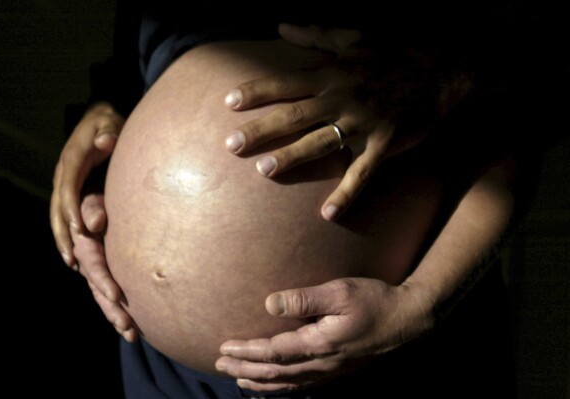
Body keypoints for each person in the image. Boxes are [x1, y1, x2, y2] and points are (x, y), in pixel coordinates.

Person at [50, 2, 563, 398]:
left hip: (375, 358)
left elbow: (525, 110)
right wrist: (103, 127)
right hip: (161, 366)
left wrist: (420, 304)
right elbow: (137, 53)